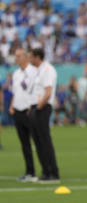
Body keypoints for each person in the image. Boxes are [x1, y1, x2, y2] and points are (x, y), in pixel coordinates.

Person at [28, 48, 60, 183]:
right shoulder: (39, 70)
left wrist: (38, 108)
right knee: (38, 141)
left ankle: (53, 172)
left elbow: (48, 92)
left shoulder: (47, 69)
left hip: (43, 107)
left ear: (37, 57)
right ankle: (46, 171)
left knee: (45, 141)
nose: (30, 59)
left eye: (31, 56)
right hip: (37, 107)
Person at [9, 48, 38, 182]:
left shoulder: (33, 71)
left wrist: (33, 106)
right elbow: (16, 92)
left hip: (29, 111)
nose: (16, 58)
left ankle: (47, 170)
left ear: (26, 57)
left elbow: (36, 91)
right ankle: (30, 171)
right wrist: (12, 105)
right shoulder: (16, 74)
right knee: (24, 143)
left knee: (38, 141)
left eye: (19, 56)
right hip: (18, 111)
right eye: (16, 56)